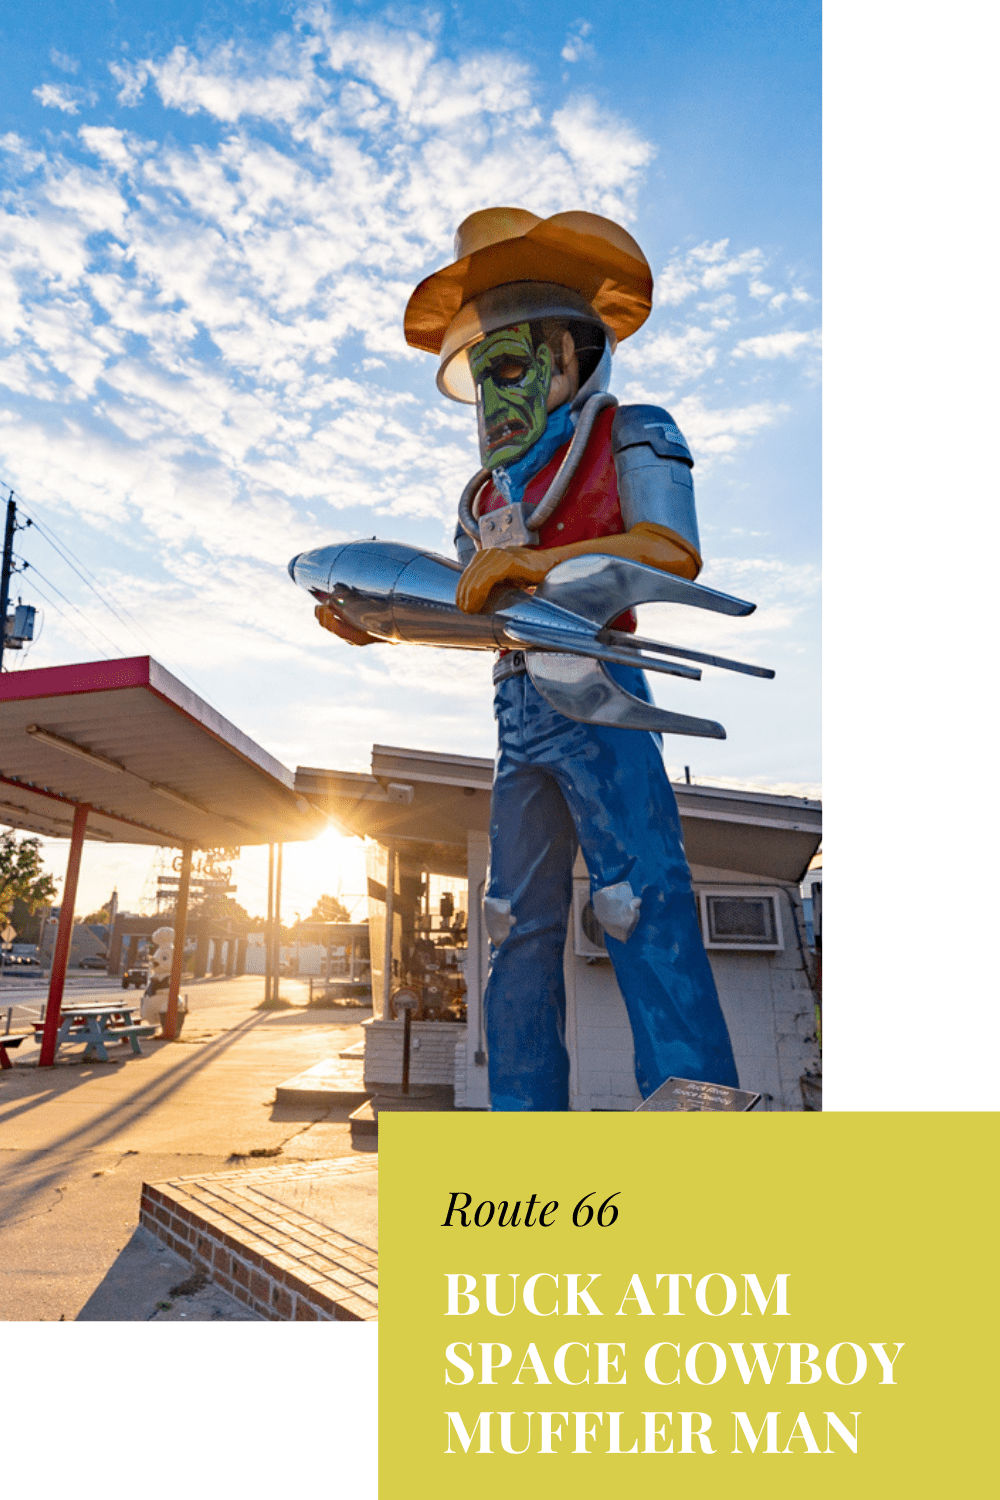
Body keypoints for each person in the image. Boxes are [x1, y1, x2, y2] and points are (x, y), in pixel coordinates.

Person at [322, 207, 740, 1109]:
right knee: (511, 924)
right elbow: (477, 611)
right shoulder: (484, 493)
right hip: (517, 713)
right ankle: (523, 1132)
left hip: (603, 690)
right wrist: (386, 621)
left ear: (569, 355)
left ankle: (704, 1133)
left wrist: (540, 565)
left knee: (640, 903)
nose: (495, 403)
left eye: (509, 368)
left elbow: (673, 552)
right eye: (482, 381)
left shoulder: (630, 431)